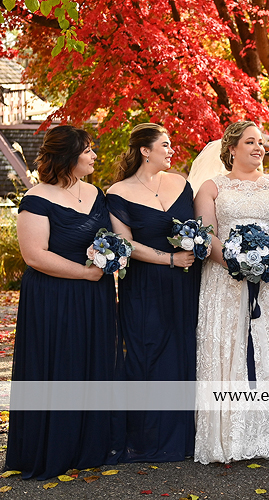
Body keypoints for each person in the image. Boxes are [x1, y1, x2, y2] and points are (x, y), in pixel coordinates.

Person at [5, 125, 122, 479]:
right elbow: (34, 255)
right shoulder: (37, 198)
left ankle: (89, 446)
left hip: (95, 296)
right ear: (68, 156)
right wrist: (84, 273)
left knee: (91, 366)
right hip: (54, 297)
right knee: (60, 368)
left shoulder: (97, 193)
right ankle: (53, 449)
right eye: (87, 150)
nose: (94, 156)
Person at [193, 121, 269, 464]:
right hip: (224, 280)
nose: (258, 148)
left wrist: (265, 260)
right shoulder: (211, 187)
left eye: (261, 142)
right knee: (229, 347)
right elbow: (206, 234)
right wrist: (237, 263)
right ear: (232, 148)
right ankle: (230, 437)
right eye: (250, 142)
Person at [106, 123, 198, 462]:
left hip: (186, 282)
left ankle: (185, 438)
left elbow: (199, 228)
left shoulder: (181, 183)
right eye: (165, 144)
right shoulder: (118, 192)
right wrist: (170, 259)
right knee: (148, 355)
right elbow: (125, 243)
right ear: (145, 150)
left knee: (183, 352)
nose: (171, 150)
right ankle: (146, 438)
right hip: (144, 284)